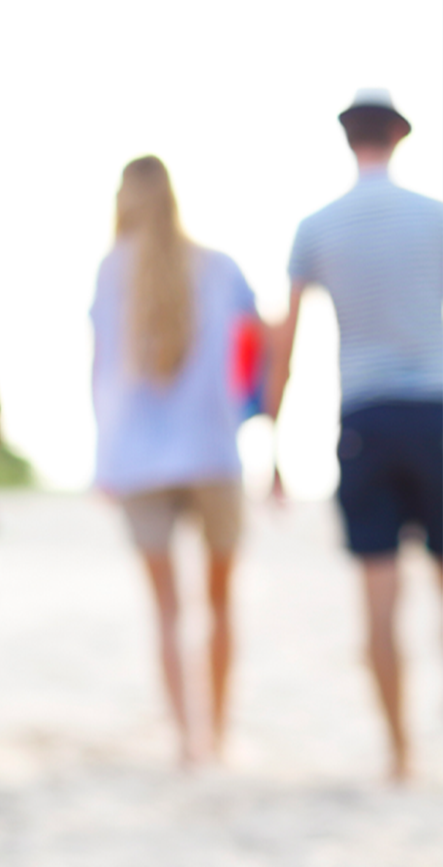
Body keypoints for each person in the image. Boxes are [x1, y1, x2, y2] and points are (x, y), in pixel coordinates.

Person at [269, 89, 443, 783]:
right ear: (401, 137)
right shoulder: (434, 219)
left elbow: (286, 341)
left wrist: (274, 444)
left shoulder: (317, 226)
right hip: (435, 409)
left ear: (349, 141)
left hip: (364, 417)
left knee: (378, 592)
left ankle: (399, 749)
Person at [91, 156, 262, 766]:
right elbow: (253, 350)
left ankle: (186, 740)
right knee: (219, 603)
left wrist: (102, 459)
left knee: (166, 608)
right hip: (213, 450)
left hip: (137, 459)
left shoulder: (112, 271)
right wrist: (244, 412)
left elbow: (101, 370)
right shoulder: (219, 267)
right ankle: (215, 732)